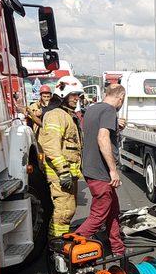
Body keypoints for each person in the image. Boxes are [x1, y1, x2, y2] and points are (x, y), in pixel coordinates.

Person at [76, 84, 127, 256]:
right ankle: (71, 246)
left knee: (113, 211)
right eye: (122, 101)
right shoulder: (109, 110)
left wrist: (115, 125)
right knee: (98, 216)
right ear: (120, 98)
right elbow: (102, 137)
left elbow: (94, 130)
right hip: (101, 173)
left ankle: (118, 249)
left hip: (90, 169)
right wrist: (113, 170)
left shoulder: (92, 109)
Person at [38, 76, 84, 237]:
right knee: (64, 211)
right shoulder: (56, 115)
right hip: (60, 175)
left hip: (67, 175)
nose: (77, 98)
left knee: (68, 209)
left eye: (78, 95)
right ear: (63, 94)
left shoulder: (66, 115)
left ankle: (59, 241)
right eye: (74, 95)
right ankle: (57, 244)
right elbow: (51, 146)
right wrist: (63, 170)